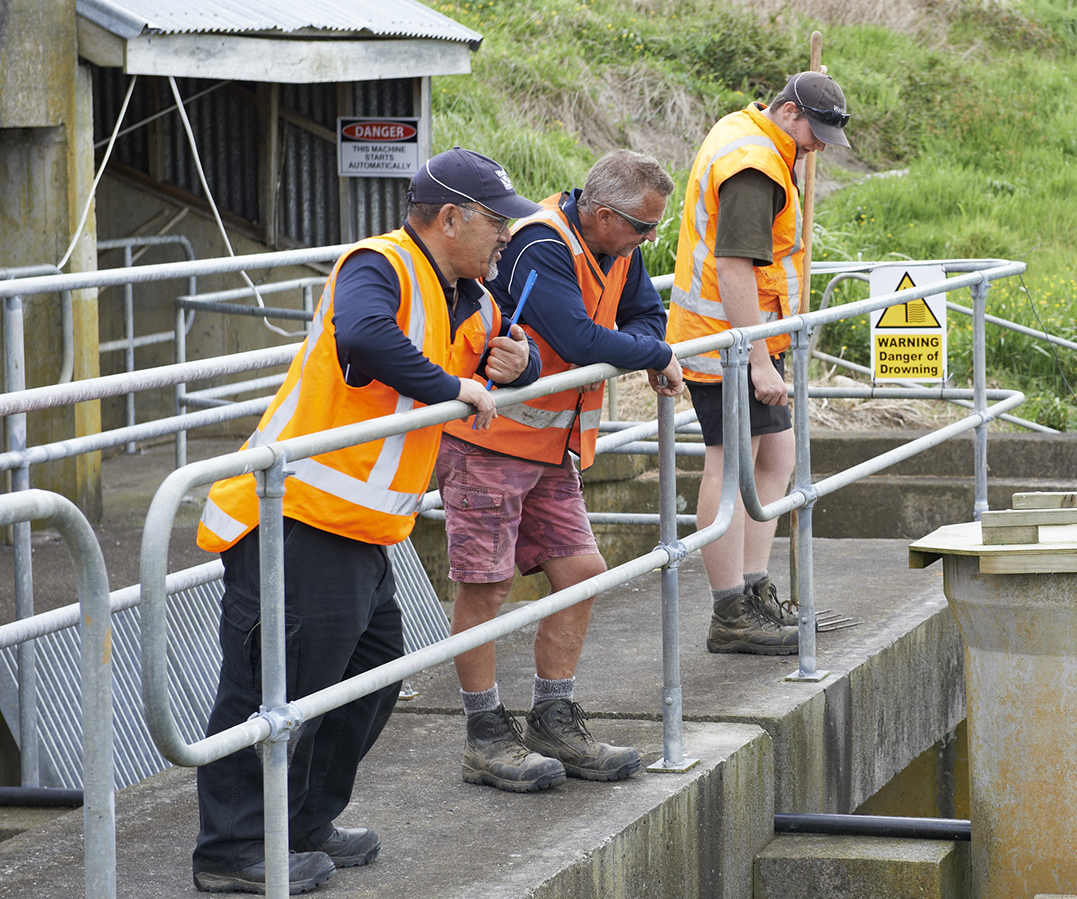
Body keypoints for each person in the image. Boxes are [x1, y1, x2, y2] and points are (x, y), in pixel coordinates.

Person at [190, 148, 541, 895]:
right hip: (296, 515)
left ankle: (303, 822)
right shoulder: (376, 265)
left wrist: (521, 362)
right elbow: (364, 339)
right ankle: (230, 849)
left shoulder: (467, 292)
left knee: (370, 679)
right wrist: (456, 385)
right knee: (270, 688)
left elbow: (512, 347)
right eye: (497, 224)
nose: (505, 238)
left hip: (363, 528)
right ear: (451, 219)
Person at [439, 150, 685, 792]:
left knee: (581, 574)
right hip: (488, 439)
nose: (650, 241)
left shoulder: (619, 248)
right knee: (485, 586)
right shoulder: (540, 245)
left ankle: (552, 717)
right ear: (604, 215)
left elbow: (646, 314)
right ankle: (484, 736)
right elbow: (580, 339)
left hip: (550, 447)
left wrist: (646, 340)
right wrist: (654, 353)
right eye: (643, 229)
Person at [666, 71, 850, 655]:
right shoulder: (754, 166)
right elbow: (734, 266)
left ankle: (753, 590)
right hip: (728, 343)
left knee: (776, 455)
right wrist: (756, 360)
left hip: (743, 338)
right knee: (729, 464)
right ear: (789, 111)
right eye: (815, 132)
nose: (819, 145)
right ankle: (731, 612)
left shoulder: (754, 136)